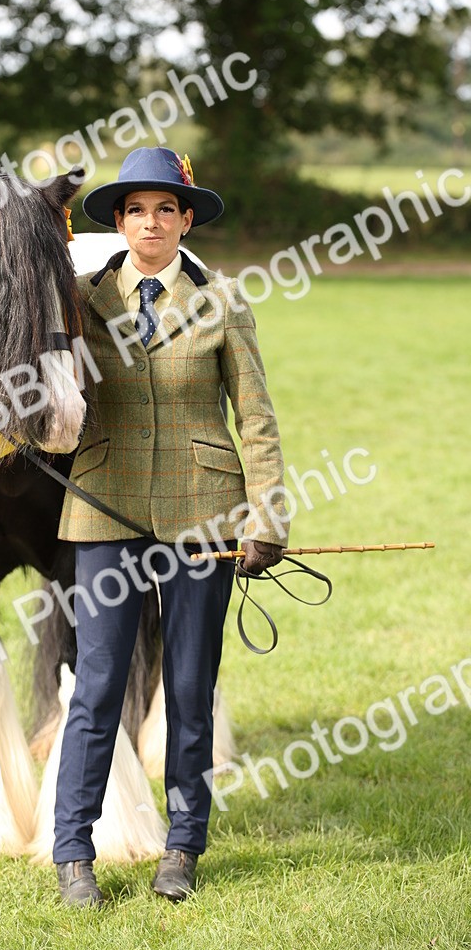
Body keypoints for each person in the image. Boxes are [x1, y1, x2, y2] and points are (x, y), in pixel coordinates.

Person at [52, 145, 289, 907]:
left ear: (186, 220)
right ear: (118, 223)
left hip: (203, 511)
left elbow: (256, 417)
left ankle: (182, 846)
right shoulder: (82, 301)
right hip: (104, 505)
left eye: (163, 209)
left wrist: (267, 516)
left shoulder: (223, 300)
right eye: (133, 210)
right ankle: (72, 851)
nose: (148, 222)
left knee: (190, 686)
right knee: (96, 686)